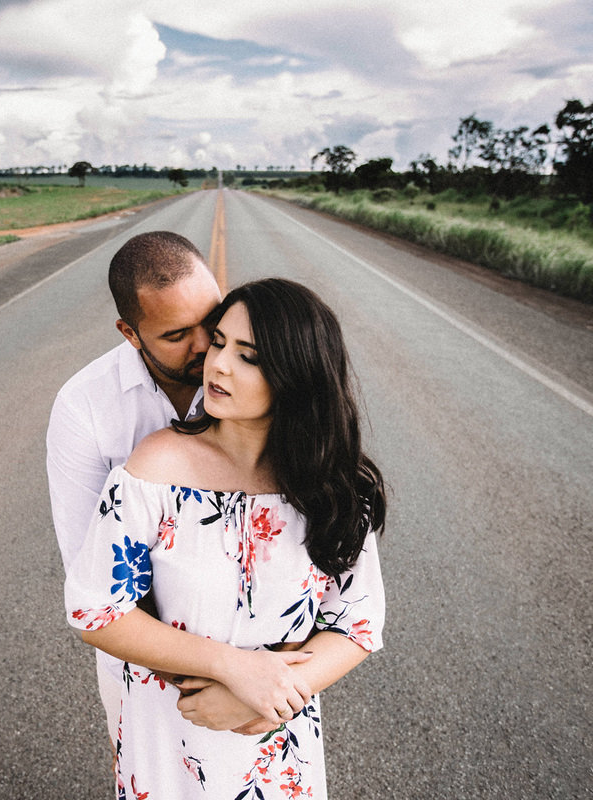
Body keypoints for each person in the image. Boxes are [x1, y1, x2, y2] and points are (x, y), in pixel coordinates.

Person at [65, 278, 387, 798]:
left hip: (277, 740)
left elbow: (359, 622)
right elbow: (95, 611)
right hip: (171, 740)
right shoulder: (156, 468)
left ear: (297, 373)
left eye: (249, 356)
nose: (217, 366)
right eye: (219, 343)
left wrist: (277, 692)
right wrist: (235, 668)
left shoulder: (335, 485)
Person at [47, 230, 223, 742]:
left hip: (259, 655)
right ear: (130, 332)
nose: (205, 346)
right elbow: (93, 572)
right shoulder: (84, 406)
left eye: (210, 321)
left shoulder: (261, 378)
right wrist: (204, 676)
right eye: (175, 335)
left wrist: (255, 675)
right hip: (146, 658)